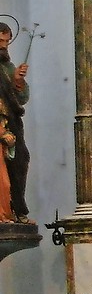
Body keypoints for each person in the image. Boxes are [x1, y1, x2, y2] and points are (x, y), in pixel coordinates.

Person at [0, 22, 31, 223]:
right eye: (0, 41)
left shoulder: (9, 67)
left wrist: (18, 80)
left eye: (7, 41)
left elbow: (22, 98)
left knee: (21, 160)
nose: (4, 45)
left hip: (12, 120)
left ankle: (17, 208)